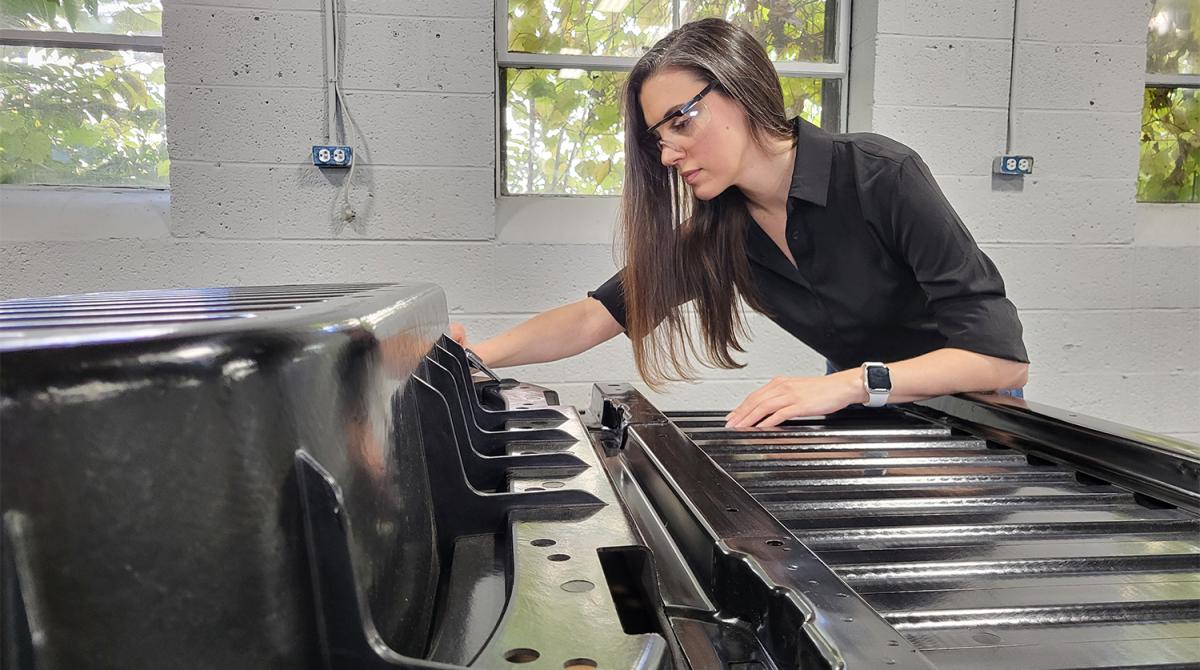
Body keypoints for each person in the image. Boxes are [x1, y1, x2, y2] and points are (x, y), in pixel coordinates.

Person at [452, 18, 1028, 429]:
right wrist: (472, 356)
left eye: (680, 122)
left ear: (741, 89)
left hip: (970, 412)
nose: (667, 154)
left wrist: (849, 383)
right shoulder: (721, 230)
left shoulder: (882, 175)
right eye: (658, 138)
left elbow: (999, 356)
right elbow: (597, 314)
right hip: (868, 409)